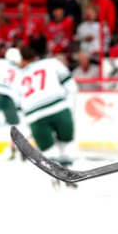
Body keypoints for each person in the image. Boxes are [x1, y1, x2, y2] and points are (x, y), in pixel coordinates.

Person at [12, 46, 78, 189]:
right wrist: (68, 105)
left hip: (34, 115)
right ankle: (68, 175)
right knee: (66, 142)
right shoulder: (51, 63)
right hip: (58, 108)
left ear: (22, 60)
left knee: (48, 150)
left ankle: (55, 179)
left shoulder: (17, 76)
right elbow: (71, 86)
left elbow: (17, 105)